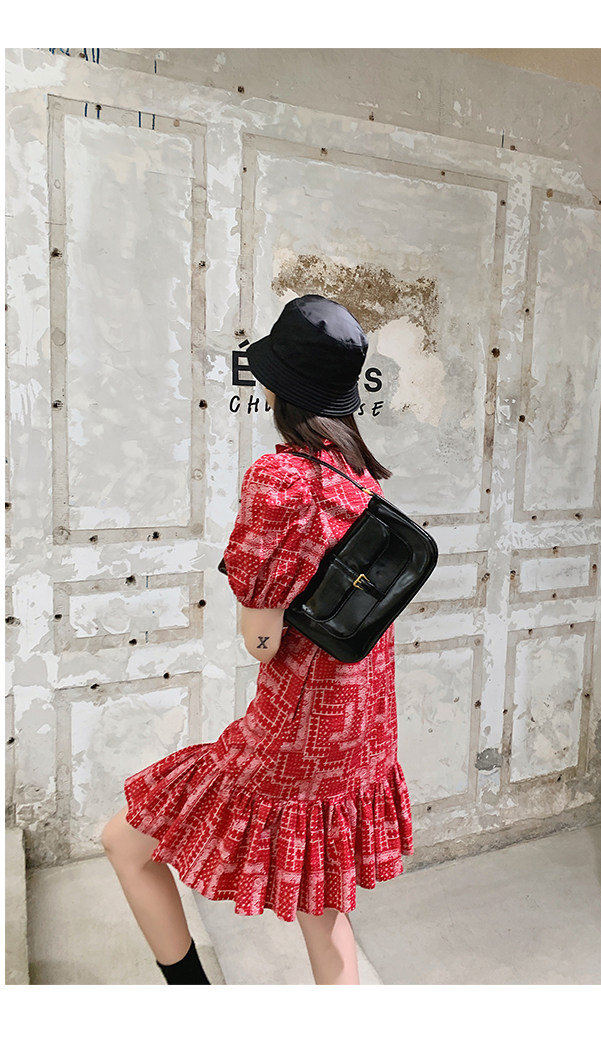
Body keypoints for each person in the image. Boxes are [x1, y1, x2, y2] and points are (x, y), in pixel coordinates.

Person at [101, 294, 414, 985]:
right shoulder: (360, 475)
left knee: (124, 842)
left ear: (279, 389)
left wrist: (264, 608)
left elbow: (262, 644)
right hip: (361, 732)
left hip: (292, 735)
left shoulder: (280, 479)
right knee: (323, 912)